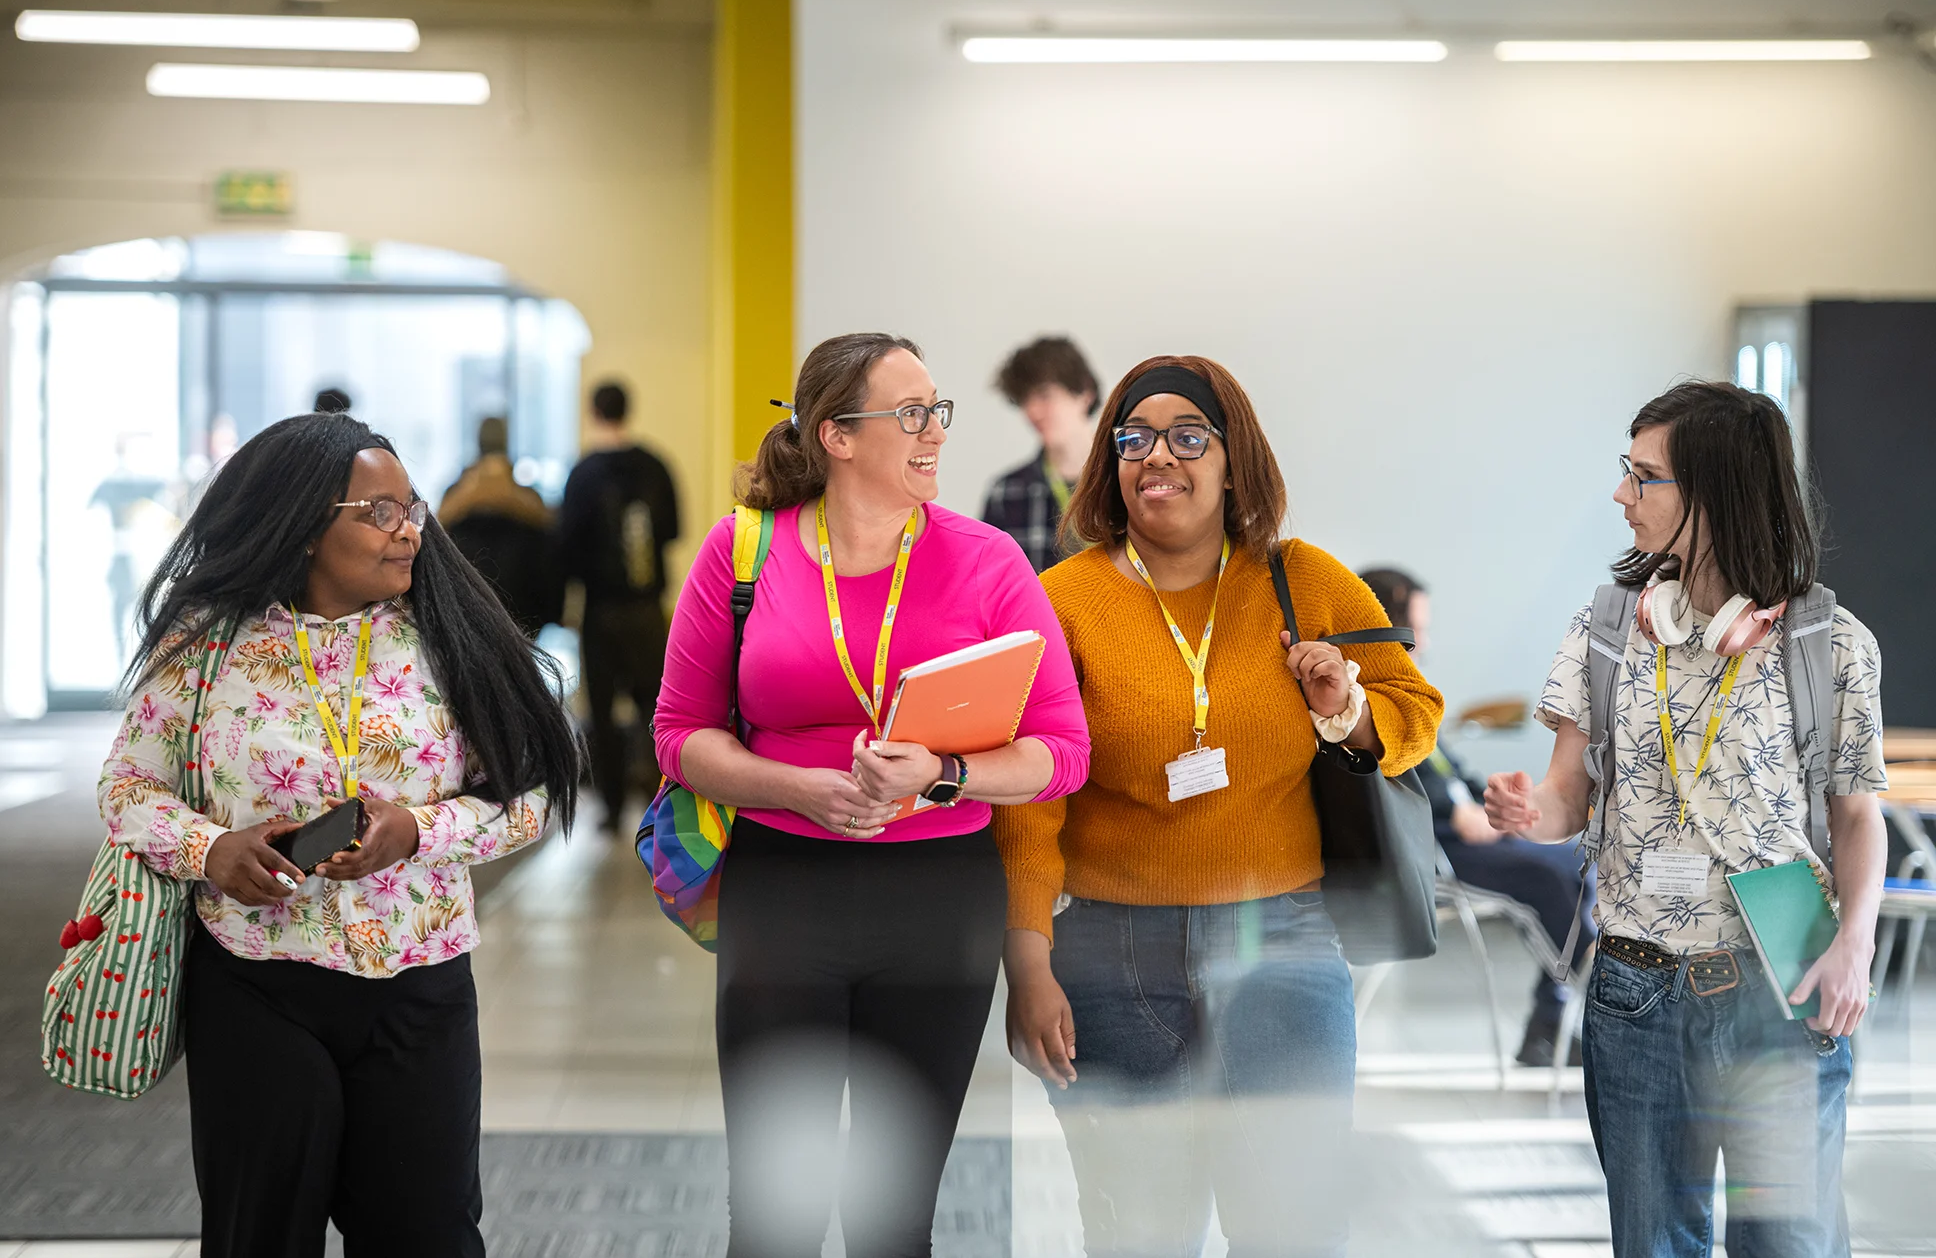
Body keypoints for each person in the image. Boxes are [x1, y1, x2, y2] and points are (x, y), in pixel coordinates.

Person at [101, 410, 582, 1258]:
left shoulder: (449, 636)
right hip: (256, 982)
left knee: (427, 1237)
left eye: (414, 508)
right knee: (261, 1237)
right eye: (382, 513)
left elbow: (534, 795)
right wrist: (209, 848)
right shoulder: (206, 642)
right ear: (305, 522)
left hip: (419, 985)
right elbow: (128, 785)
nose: (411, 533)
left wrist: (420, 830)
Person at [652, 332, 1091, 1258]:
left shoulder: (989, 561)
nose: (935, 431)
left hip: (938, 896)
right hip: (785, 889)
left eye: (938, 409)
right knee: (773, 1219)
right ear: (837, 437)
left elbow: (1063, 750)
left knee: (896, 1222)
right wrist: (797, 789)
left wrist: (946, 772)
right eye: (912, 412)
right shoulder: (742, 552)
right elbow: (679, 734)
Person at [996, 356, 1444, 1258]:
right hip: (1111, 954)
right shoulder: (1063, 602)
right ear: (1109, 460)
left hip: (1282, 943)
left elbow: (1415, 709)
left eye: (1187, 435)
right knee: (1138, 1237)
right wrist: (1028, 959)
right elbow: (1032, 801)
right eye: (1134, 438)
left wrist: (1346, 709)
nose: (1157, 456)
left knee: (1294, 1232)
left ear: (1234, 458)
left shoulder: (1304, 579)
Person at [1484, 381, 1887, 1258]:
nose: (1622, 495)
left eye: (1645, 477)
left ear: (1718, 491)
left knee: (1789, 1242)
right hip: (1637, 988)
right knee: (1653, 1244)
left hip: (1784, 979)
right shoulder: (1602, 629)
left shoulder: (1831, 642)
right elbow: (1566, 800)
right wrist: (1529, 811)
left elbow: (1856, 818)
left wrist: (1853, 944)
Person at [1359, 566, 1597, 1066]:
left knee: (1577, 866)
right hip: (1436, 848)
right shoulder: (1368, 704)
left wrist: (1488, 803)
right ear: (1390, 627)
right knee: (1561, 882)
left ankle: (1550, 1024)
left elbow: (1449, 772)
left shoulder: (1409, 693)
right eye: (1417, 630)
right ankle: (1567, 1014)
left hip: (1463, 835)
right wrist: (1460, 812)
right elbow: (1395, 789)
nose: (1424, 643)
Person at [561, 381, 680, 829]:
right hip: (649, 609)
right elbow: (672, 529)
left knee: (604, 712)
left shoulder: (583, 473)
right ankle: (662, 801)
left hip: (600, 610)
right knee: (658, 709)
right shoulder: (655, 466)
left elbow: (567, 549)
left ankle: (611, 809)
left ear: (594, 412)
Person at [981, 335, 1100, 573]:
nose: (1032, 412)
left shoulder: (1127, 479)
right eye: (1024, 400)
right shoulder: (1006, 493)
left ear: (1084, 393)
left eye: (1045, 395)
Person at [440, 416, 562, 637]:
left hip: (469, 618)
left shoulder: (454, 500)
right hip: (521, 619)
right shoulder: (530, 502)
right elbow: (549, 566)